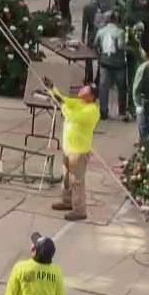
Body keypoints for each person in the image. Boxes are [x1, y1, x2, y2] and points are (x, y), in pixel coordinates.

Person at [49, 82, 99, 221]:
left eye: (85, 90)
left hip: (79, 151)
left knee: (77, 181)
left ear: (91, 96)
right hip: (68, 148)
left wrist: (62, 105)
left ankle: (79, 210)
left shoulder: (92, 111)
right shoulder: (79, 103)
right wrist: (53, 89)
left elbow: (72, 117)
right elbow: (64, 100)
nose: (81, 90)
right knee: (66, 178)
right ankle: (67, 201)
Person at [94, 16, 131, 122]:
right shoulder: (120, 32)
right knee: (121, 87)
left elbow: (95, 45)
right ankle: (121, 110)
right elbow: (120, 46)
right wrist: (130, 49)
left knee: (103, 87)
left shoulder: (101, 31)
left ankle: (104, 112)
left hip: (104, 62)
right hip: (118, 64)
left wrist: (99, 56)